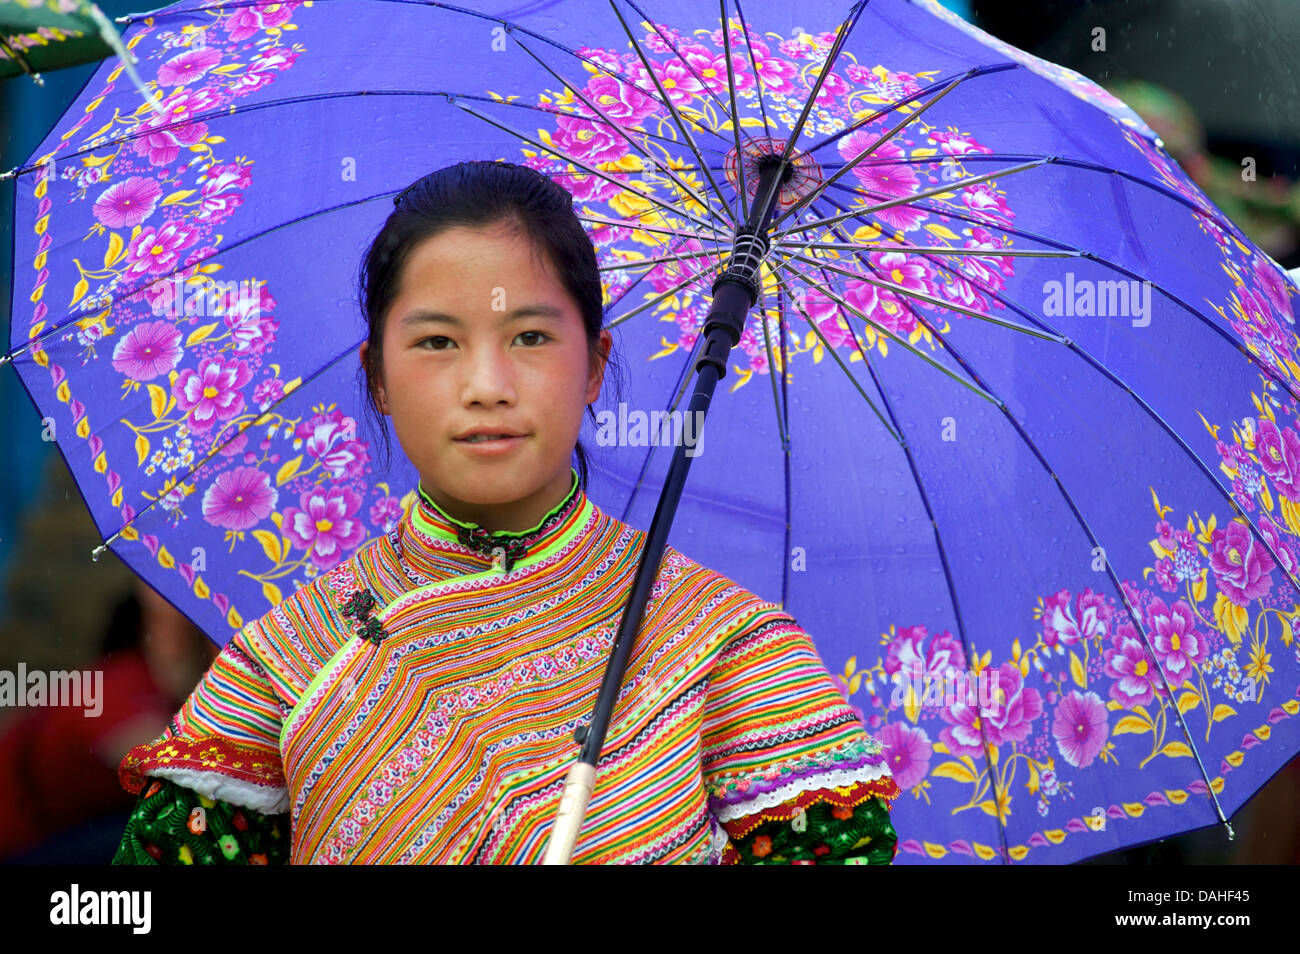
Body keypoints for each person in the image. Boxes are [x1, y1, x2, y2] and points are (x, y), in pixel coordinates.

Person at [111, 159, 901, 865]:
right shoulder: (288, 658)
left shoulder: (722, 645)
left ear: (593, 365)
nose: (487, 384)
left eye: (528, 336)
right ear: (377, 379)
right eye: (437, 344)